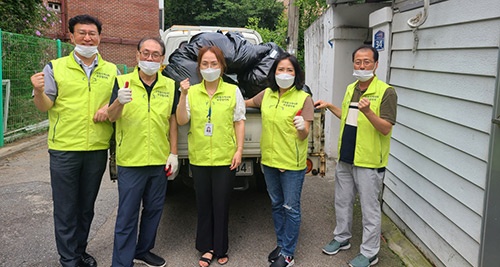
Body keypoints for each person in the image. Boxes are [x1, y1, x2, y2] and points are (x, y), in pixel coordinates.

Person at [30, 14, 117, 267]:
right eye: (82, 33)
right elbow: (45, 106)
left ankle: (79, 251)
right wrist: (38, 90)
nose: (87, 38)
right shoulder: (55, 67)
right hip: (64, 149)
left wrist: (109, 108)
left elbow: (117, 104)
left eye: (92, 33)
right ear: (71, 36)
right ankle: (68, 260)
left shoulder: (110, 70)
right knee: (66, 209)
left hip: (96, 148)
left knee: (86, 207)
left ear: (100, 37)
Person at [316, 45, 397, 267]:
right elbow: (349, 117)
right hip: (346, 157)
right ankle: (342, 239)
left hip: (369, 161)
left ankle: (370, 252)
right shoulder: (352, 87)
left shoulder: (386, 92)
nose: (361, 66)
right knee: (342, 202)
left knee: (369, 209)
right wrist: (330, 106)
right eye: (358, 62)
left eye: (366, 62)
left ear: (376, 64)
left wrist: (369, 112)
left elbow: (386, 128)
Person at [107, 37, 178, 267]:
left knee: (154, 210)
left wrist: (173, 153)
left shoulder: (169, 85)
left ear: (162, 59)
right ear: (137, 55)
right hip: (131, 160)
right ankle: (122, 262)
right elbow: (112, 117)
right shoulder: (122, 81)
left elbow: (172, 121)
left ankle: (143, 250)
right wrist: (118, 102)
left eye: (155, 54)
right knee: (127, 216)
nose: (150, 58)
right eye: (145, 53)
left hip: (159, 159)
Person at [176, 46, 245, 267]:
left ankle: (221, 247)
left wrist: (239, 150)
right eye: (205, 64)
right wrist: (183, 95)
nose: (209, 68)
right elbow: (181, 120)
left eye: (214, 64)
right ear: (199, 67)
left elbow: (239, 121)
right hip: (200, 157)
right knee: (203, 203)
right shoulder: (192, 92)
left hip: (225, 158)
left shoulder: (233, 91)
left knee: (222, 203)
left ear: (222, 67)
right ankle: (206, 248)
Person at [245, 52, 315, 267]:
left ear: (297, 74)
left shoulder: (304, 99)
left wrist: (303, 128)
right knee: (276, 205)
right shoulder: (267, 95)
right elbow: (246, 102)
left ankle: (288, 254)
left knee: (290, 208)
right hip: (269, 161)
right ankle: (281, 243)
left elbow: (304, 134)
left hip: (291, 165)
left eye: (289, 70)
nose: (284, 74)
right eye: (280, 70)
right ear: (274, 73)